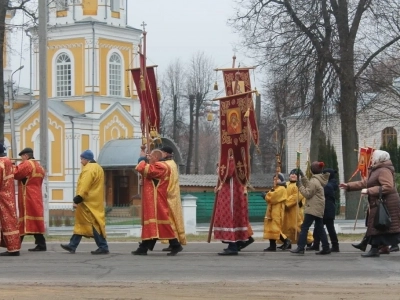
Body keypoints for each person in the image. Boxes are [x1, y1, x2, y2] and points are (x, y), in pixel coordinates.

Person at [339, 150, 400, 257]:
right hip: (381, 202)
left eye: (373, 157)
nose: (371, 159)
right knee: (378, 226)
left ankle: (374, 249)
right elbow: (366, 182)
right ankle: (376, 248)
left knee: (378, 225)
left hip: (386, 203)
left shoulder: (383, 170)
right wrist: (349, 186)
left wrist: (369, 191)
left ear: (379, 158)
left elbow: (388, 186)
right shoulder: (377, 170)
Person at [132, 149, 183, 256]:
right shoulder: (158, 166)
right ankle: (144, 247)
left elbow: (143, 169)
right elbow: (149, 176)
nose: (148, 158)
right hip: (152, 201)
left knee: (162, 223)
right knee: (154, 225)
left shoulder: (161, 166)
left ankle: (175, 245)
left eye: (150, 156)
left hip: (157, 201)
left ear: (156, 157)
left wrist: (142, 158)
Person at [60, 150, 109, 254]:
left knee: (93, 224)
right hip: (95, 200)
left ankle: (103, 246)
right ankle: (72, 245)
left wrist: (78, 198)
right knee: (82, 223)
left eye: (82, 159)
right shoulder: (98, 168)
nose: (81, 161)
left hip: (87, 202)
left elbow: (85, 185)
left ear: (87, 159)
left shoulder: (89, 169)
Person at [213, 156, 252, 255]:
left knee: (229, 217)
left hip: (231, 193)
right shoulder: (241, 159)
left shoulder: (232, 160)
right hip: (235, 192)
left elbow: (227, 175)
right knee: (234, 218)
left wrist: (219, 167)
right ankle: (239, 242)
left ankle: (233, 246)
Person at [290, 161, 331, 255]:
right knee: (320, 228)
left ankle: (300, 247)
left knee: (304, 227)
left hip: (313, 207)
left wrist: (299, 185)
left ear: (311, 170)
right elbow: (309, 185)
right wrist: (302, 176)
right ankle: (326, 247)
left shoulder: (314, 181)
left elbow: (307, 194)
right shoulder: (319, 179)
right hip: (318, 207)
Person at [14, 147, 46, 252]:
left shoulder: (27, 164)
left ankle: (16, 245)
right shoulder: (39, 166)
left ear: (26, 156)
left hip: (27, 196)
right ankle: (41, 244)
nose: (22, 160)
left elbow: (16, 173)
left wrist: (10, 165)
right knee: (36, 220)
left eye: (22, 157)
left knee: (24, 219)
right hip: (36, 195)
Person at [158, 146, 187, 252]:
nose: (160, 154)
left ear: (165, 153)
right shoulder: (172, 164)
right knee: (173, 219)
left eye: (161, 152)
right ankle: (173, 243)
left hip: (168, 195)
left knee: (169, 220)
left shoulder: (166, 165)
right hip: (173, 195)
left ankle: (175, 243)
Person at [279, 169, 313, 249]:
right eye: (291, 174)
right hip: (285, 210)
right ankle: (287, 242)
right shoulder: (286, 184)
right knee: (286, 226)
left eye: (295, 174)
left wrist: (286, 203)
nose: (293, 175)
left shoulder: (299, 185)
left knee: (297, 226)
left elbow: (298, 196)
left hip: (295, 210)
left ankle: (309, 240)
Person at [310, 168, 340, 252]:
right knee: (318, 227)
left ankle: (335, 245)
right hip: (324, 208)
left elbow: (322, 190)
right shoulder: (330, 184)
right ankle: (316, 244)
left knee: (329, 228)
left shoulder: (329, 185)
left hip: (327, 209)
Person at [0, 144, 21, 256]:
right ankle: (13, 247)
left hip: (2, 196)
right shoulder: (8, 161)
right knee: (10, 221)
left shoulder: (1, 163)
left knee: (7, 221)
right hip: (9, 195)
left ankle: (13, 249)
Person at [263, 173, 291, 252]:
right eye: (274, 179)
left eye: (277, 179)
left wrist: (266, 195)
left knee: (275, 228)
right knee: (270, 228)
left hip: (277, 211)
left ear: (281, 180)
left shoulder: (281, 188)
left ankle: (286, 240)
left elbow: (273, 198)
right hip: (271, 211)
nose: (275, 180)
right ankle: (272, 245)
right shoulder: (274, 188)